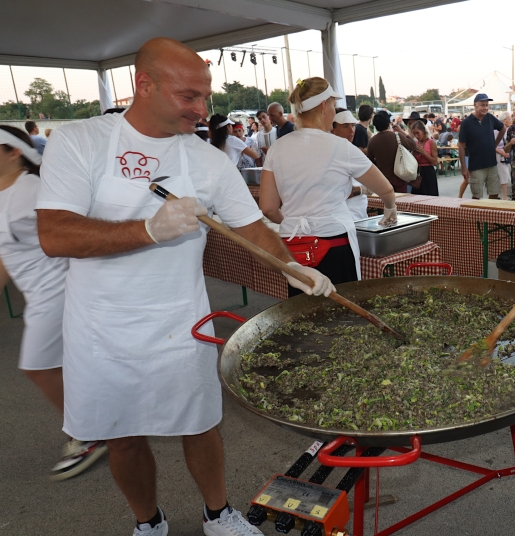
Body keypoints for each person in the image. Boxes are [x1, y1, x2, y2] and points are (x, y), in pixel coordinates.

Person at [36, 37, 334, 536]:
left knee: (200, 424)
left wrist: (290, 266)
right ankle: (148, 522)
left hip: (181, 319)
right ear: (143, 84)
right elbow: (54, 234)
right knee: (123, 436)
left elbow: (252, 226)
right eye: (188, 96)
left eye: (205, 97)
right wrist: (146, 229)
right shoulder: (80, 142)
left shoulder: (206, 159)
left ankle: (219, 513)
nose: (201, 110)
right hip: (100, 327)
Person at [0, 125, 109, 481]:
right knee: (75, 361)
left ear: (14, 152)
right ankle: (106, 418)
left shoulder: (31, 189)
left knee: (38, 366)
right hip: (39, 294)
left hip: (59, 289)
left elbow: (77, 226)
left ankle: (90, 434)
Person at [260, 78, 397, 292]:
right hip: (334, 243)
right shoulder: (340, 147)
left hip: (294, 246)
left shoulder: (277, 148)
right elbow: (385, 189)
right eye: (333, 105)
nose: (333, 111)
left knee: (303, 313)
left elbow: (268, 207)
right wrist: (390, 208)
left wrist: (293, 220)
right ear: (324, 105)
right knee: (342, 315)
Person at [458, 93, 507, 200]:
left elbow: (502, 128)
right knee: (477, 195)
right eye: (482, 105)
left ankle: (489, 215)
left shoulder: (489, 118)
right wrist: (463, 167)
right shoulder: (466, 123)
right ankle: (476, 216)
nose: (485, 108)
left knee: (494, 192)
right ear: (475, 105)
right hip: (476, 166)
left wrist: (494, 143)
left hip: (491, 164)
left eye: (486, 105)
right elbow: (461, 145)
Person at [330, 108, 369, 220]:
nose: (352, 131)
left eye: (353, 126)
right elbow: (337, 192)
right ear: (332, 129)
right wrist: (362, 189)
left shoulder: (352, 151)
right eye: (345, 126)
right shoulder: (331, 155)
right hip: (344, 220)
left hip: (359, 217)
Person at [367, 110, 417, 193]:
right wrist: (401, 131)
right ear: (388, 123)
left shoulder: (372, 141)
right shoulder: (397, 136)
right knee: (401, 203)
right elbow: (413, 145)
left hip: (382, 179)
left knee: (387, 204)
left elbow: (370, 162)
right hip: (399, 177)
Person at [409, 120, 439, 196]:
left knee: (430, 196)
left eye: (417, 133)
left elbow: (435, 162)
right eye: (414, 133)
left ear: (423, 131)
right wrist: (413, 154)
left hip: (428, 172)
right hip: (418, 172)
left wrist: (424, 152)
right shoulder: (416, 143)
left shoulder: (431, 142)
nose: (416, 136)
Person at [495, 111, 513, 200]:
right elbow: (492, 145)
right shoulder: (496, 130)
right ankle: (504, 196)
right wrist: (502, 153)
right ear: (503, 120)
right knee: (504, 175)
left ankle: (503, 195)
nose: (511, 120)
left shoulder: (508, 129)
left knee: (507, 175)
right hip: (499, 155)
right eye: (509, 119)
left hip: (506, 154)